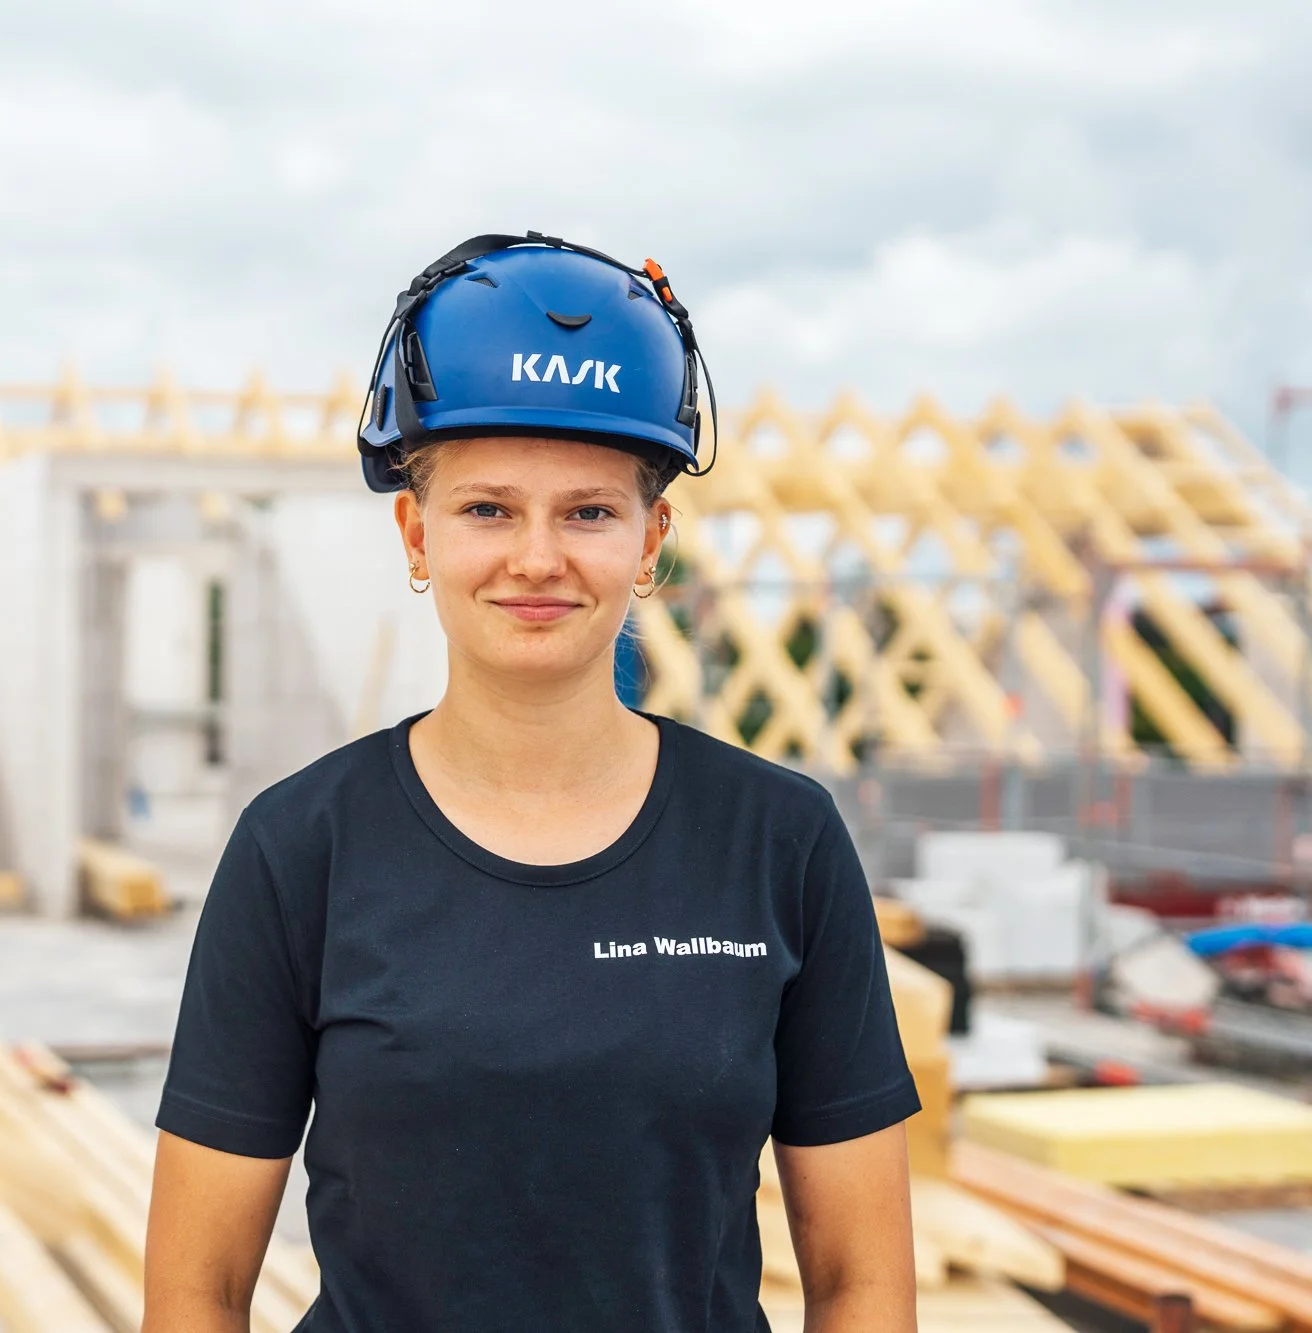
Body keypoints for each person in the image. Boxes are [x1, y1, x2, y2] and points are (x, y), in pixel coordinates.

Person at [144, 233, 920, 1332]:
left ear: (651, 541)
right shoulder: (302, 847)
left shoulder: (774, 840)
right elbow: (194, 1290)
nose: (537, 557)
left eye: (590, 511)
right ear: (416, 532)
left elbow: (861, 1282)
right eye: (486, 508)